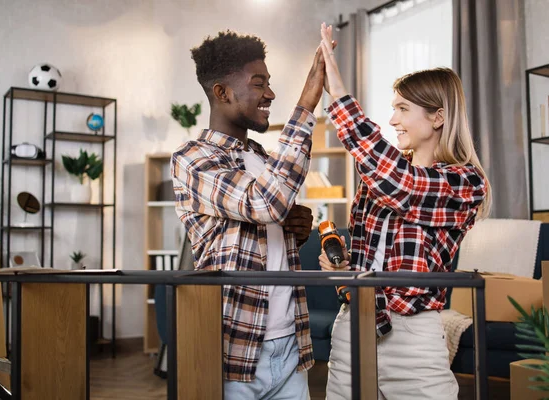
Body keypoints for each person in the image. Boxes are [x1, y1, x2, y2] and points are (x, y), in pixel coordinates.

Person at [317, 23, 491, 399]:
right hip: (353, 324)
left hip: (413, 337)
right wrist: (343, 266)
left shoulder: (465, 182)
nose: (393, 119)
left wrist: (339, 95)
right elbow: (372, 252)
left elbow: (404, 187)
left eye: (402, 109)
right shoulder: (380, 178)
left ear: (438, 117)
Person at [171, 30, 328, 399]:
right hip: (234, 350)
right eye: (259, 84)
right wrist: (307, 103)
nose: (270, 94)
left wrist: (294, 230)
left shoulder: (264, 160)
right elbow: (264, 203)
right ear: (222, 92)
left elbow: (263, 225)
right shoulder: (192, 159)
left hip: (290, 344)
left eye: (269, 83)